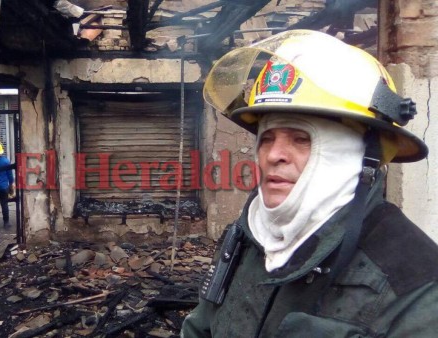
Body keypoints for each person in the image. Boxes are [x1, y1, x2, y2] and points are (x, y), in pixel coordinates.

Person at [181, 30, 438, 337]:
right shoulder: (248, 237)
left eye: (301, 139)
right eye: (267, 138)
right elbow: (202, 327)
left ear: (353, 155)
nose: (273, 155)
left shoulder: (416, 283)